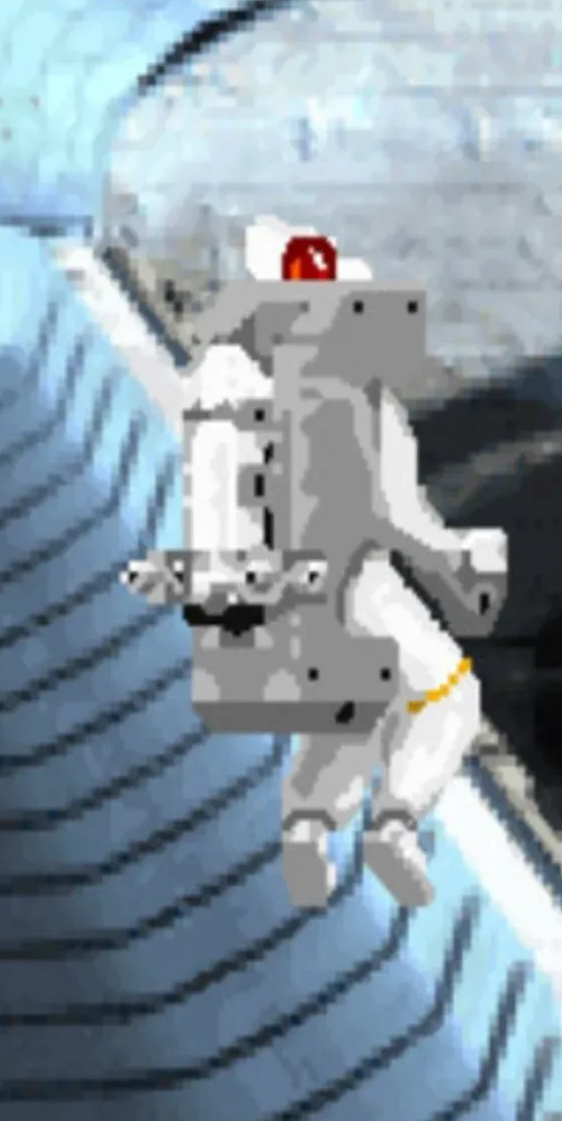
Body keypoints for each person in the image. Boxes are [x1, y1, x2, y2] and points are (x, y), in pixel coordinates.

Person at [126, 219, 509, 910]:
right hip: (347, 571)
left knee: (351, 705)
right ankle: (394, 821)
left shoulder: (222, 376)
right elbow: (395, 507)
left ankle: (309, 826)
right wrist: (454, 559)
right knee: (446, 693)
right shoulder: (350, 383)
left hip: (262, 585)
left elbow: (214, 492)